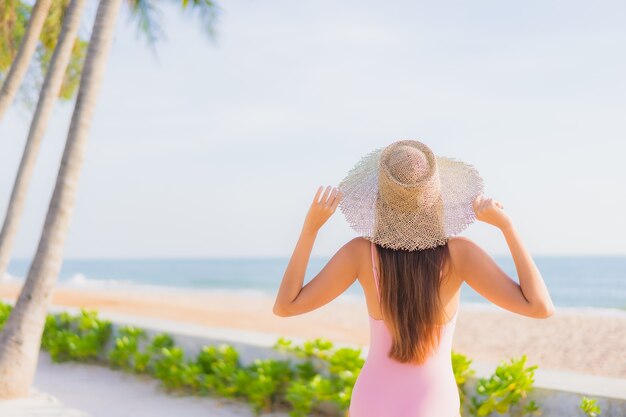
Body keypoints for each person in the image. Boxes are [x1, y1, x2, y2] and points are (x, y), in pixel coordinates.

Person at [273, 140, 554, 417]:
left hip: (372, 402)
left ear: (379, 199)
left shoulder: (361, 254)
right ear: (437, 197)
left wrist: (310, 229)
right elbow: (540, 307)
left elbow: (286, 306)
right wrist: (507, 227)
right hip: (433, 404)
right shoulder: (460, 255)